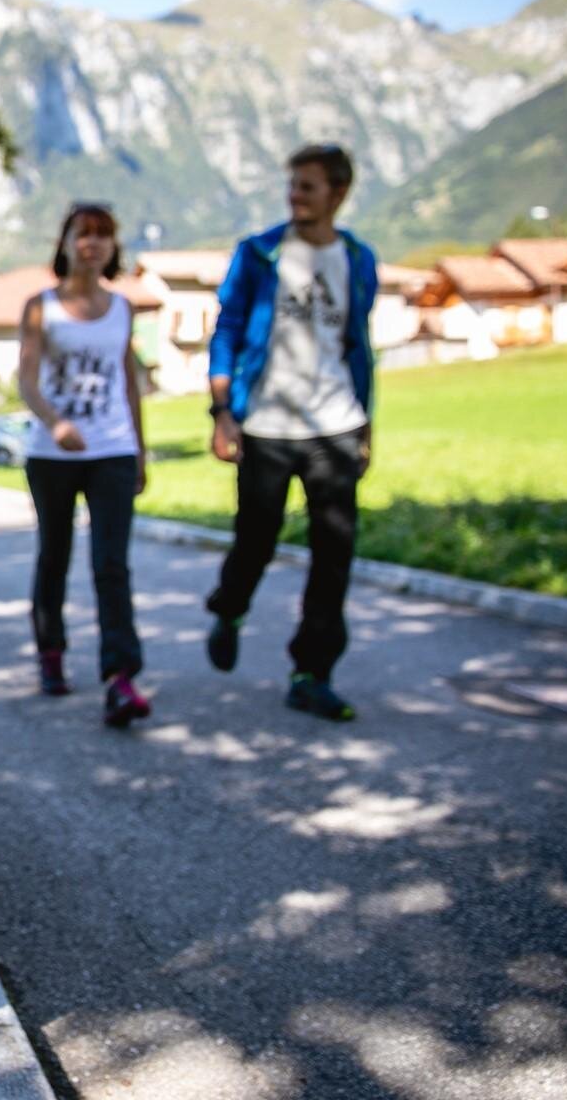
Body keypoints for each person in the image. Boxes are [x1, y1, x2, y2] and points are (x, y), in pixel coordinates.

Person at [204, 144, 378, 722]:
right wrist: (223, 411)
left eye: (307, 186)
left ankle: (312, 672)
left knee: (335, 552)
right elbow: (227, 330)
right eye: (293, 186)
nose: (295, 195)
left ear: (338, 192)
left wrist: (366, 424)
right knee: (256, 539)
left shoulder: (357, 258)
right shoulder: (259, 253)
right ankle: (230, 607)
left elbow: (357, 344)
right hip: (268, 425)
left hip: (335, 425)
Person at [17, 203, 150, 727]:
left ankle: (120, 678)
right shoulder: (40, 306)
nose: (92, 244)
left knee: (111, 564)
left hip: (112, 450)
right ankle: (51, 654)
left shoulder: (123, 309)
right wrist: (56, 424)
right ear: (66, 242)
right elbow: (26, 379)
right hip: (53, 454)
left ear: (114, 248)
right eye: (83, 234)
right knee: (55, 555)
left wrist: (140, 449)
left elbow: (128, 383)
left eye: (104, 236)